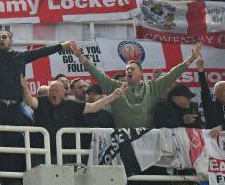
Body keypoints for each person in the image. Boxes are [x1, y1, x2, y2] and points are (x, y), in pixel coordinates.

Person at [74, 42, 202, 128]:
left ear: (141, 73)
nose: (128, 70)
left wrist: (191, 59)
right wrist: (80, 56)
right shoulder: (114, 87)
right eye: (127, 69)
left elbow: (172, 74)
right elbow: (96, 73)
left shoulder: (153, 87)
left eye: (132, 68)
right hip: (124, 141)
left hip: (149, 139)